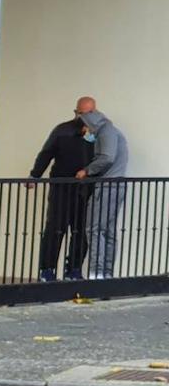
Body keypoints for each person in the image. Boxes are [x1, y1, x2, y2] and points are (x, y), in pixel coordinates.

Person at [26, 116, 93, 282]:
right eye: (84, 112)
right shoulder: (63, 130)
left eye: (91, 112)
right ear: (76, 112)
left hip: (85, 189)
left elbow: (103, 158)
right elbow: (47, 153)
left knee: (81, 230)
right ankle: (47, 270)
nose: (88, 116)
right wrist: (35, 175)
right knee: (55, 228)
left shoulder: (97, 132)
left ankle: (74, 270)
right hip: (61, 187)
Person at [74, 97, 130, 280]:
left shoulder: (106, 131)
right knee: (107, 230)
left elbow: (106, 157)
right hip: (115, 185)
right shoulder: (108, 130)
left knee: (94, 229)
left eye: (78, 114)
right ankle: (105, 273)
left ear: (84, 114)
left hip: (108, 186)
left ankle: (96, 273)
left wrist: (86, 171)